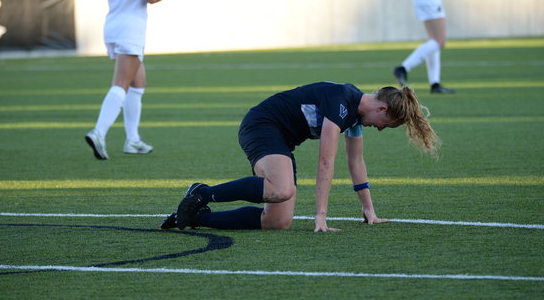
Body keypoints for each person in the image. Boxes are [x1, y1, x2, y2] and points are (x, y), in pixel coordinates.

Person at [161, 82, 441, 232]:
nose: (379, 129)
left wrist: (369, 210)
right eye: (386, 125)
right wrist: (321, 217)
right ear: (381, 109)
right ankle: (200, 194)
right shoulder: (341, 101)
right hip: (262, 125)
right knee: (281, 189)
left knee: (277, 222)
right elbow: (325, 162)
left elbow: (356, 163)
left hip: (282, 141)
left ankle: (197, 218)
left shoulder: (355, 116)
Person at [80, 0, 176, 160]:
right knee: (121, 84)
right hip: (130, 30)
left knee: (138, 84)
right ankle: (98, 132)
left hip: (113, 27)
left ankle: (132, 140)